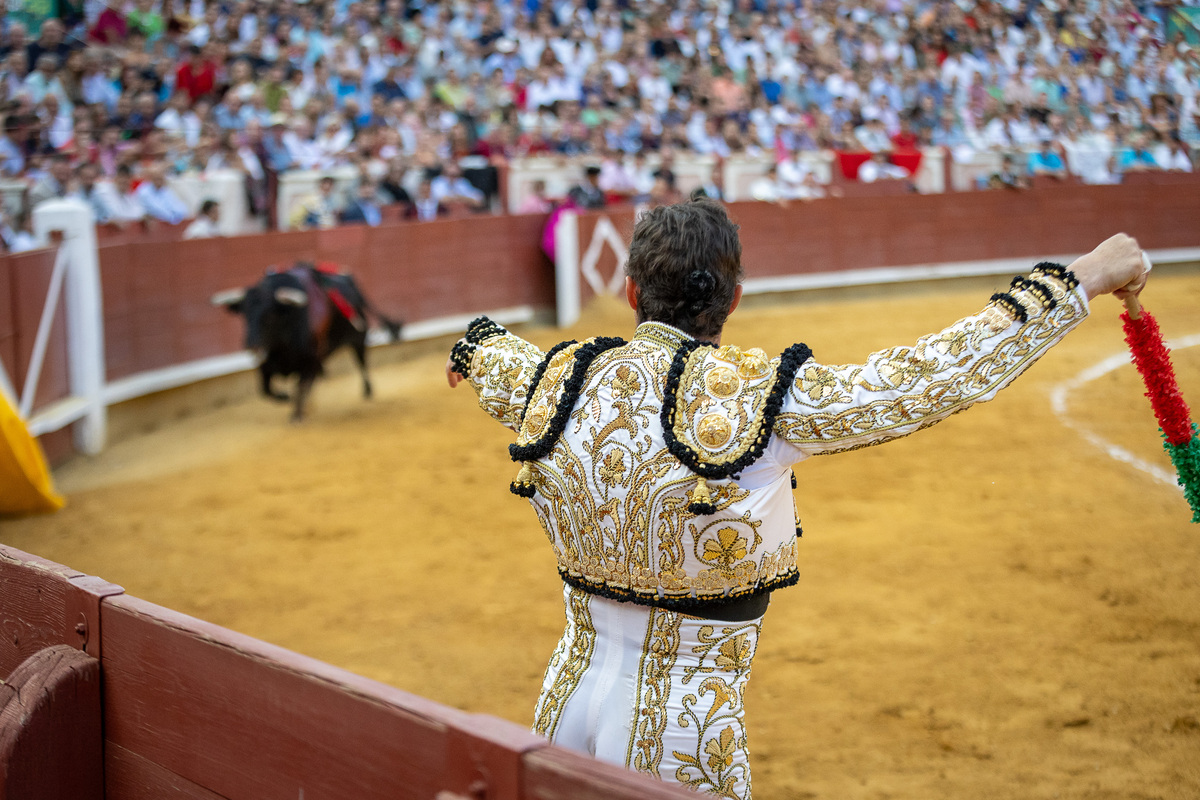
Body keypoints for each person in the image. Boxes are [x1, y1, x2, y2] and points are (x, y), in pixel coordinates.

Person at [444, 196, 1149, 798]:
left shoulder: (560, 381)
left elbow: (487, 352)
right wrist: (1084, 277)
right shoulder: (759, 404)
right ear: (735, 297)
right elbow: (931, 378)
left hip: (563, 710)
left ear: (632, 293)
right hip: (686, 732)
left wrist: (470, 351)